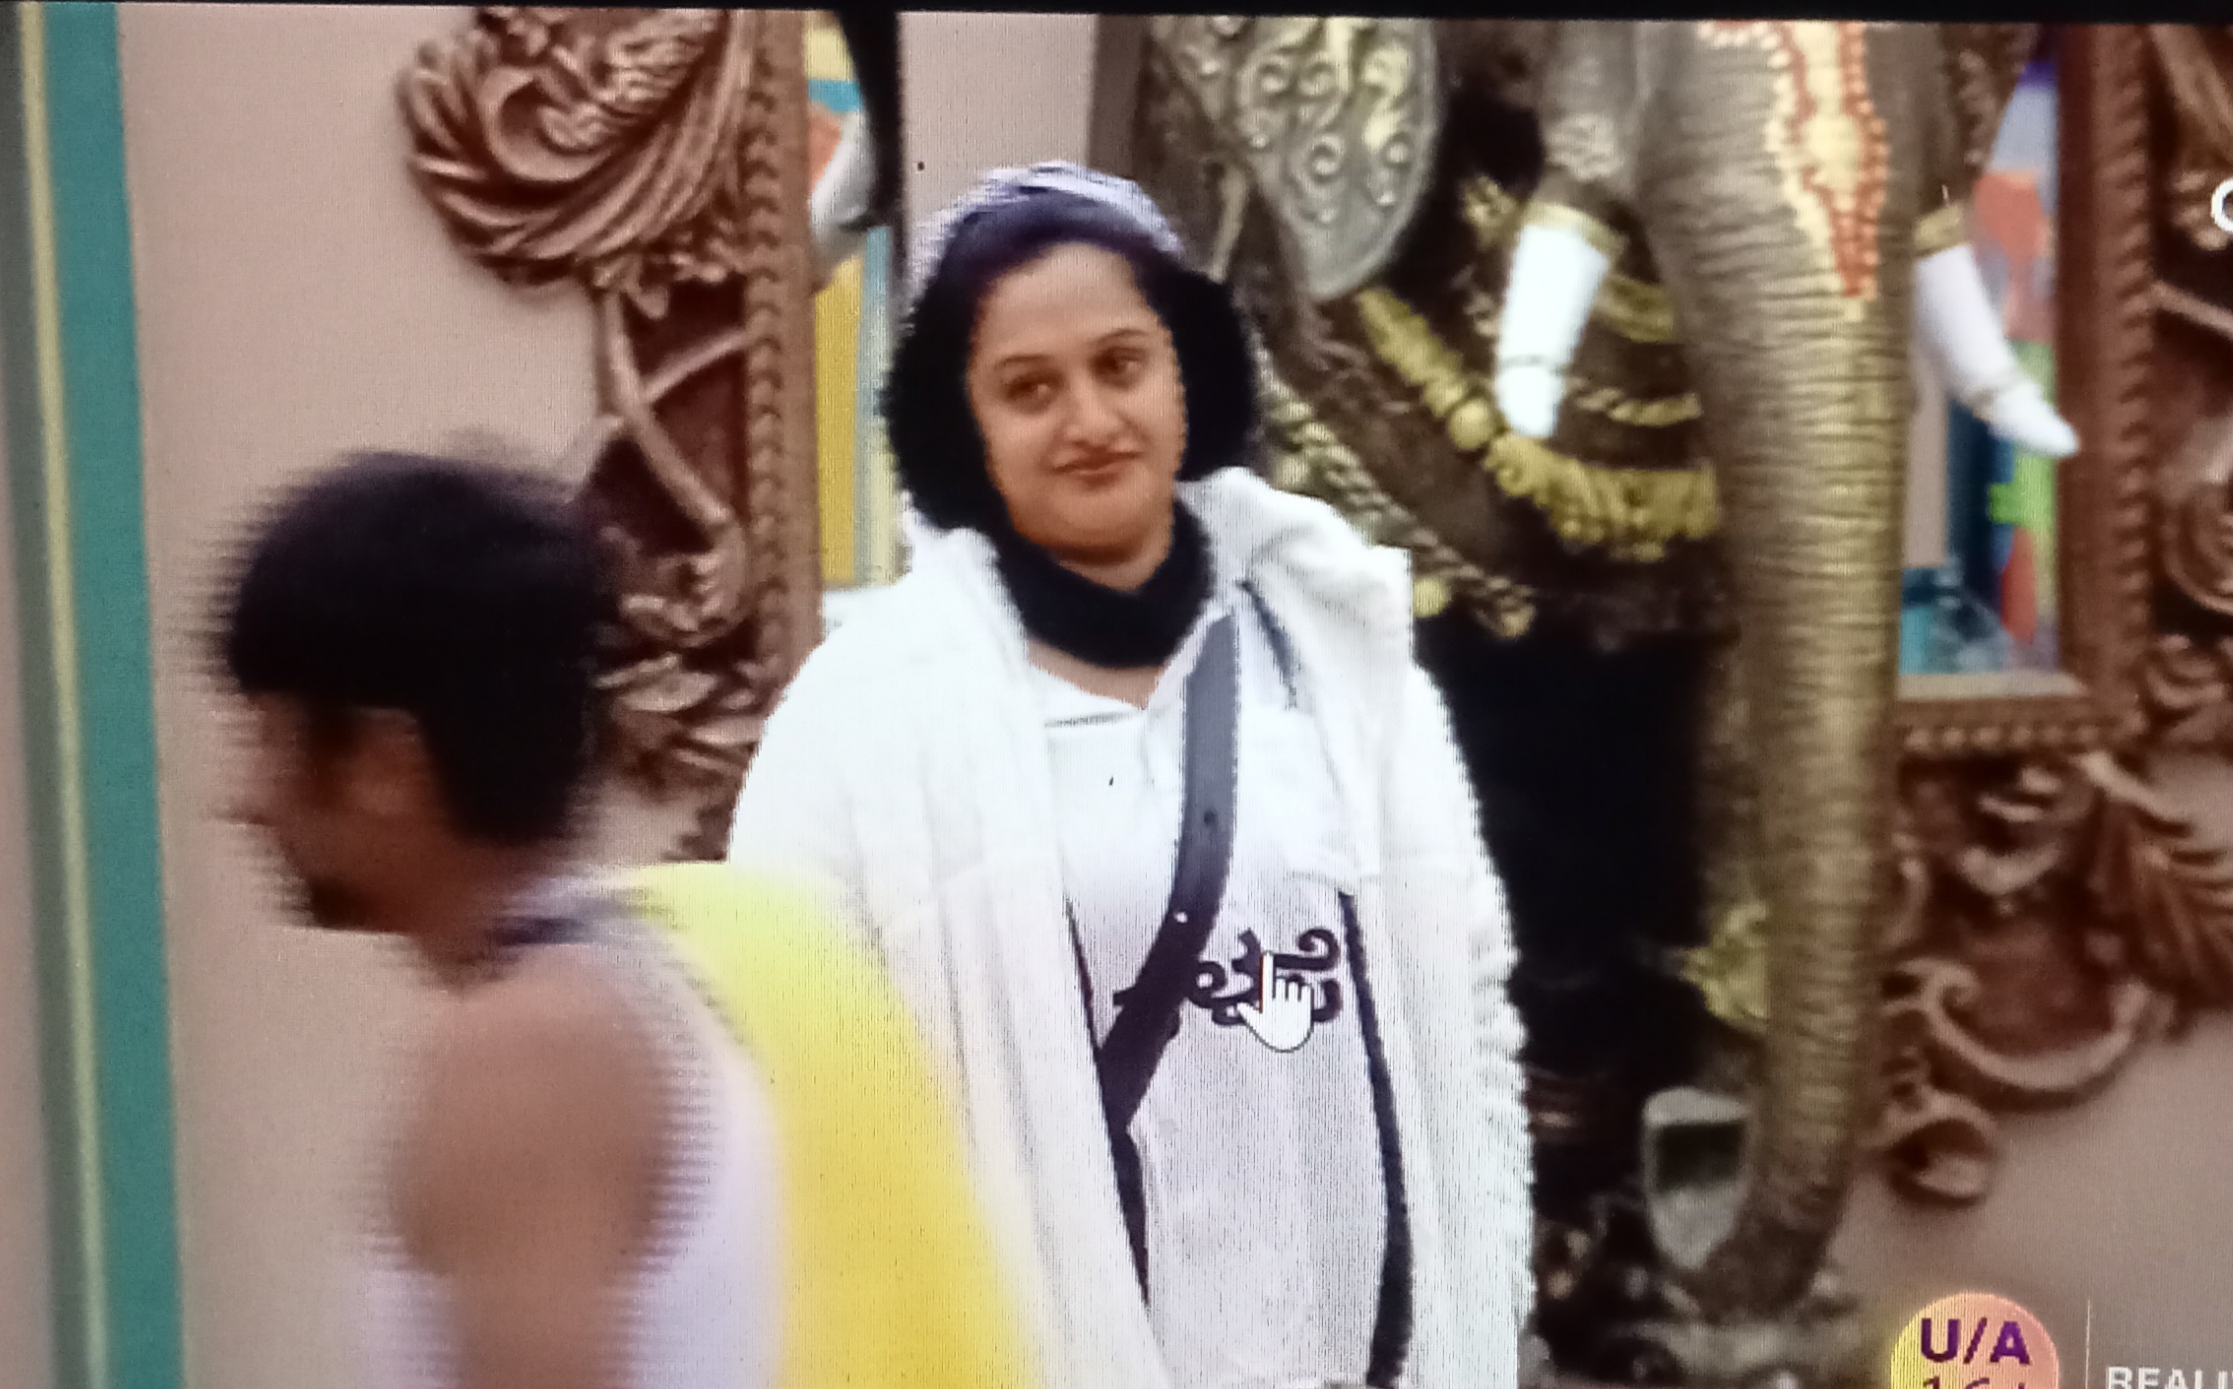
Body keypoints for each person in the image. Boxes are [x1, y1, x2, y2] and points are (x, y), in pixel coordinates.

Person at [729, 163, 1534, 1389]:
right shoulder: (861, 719)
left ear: (1185, 372)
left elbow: (1467, 1007)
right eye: (1029, 389)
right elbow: (798, 1093)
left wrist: (1490, 1294)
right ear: (961, 425)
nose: (1090, 418)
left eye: (1121, 365)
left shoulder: (1337, 655)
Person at [217, 451, 1030, 1389]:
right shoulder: (669, 972)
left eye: (269, 738)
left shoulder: (524, 1053)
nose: (244, 801)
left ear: (385, 764)